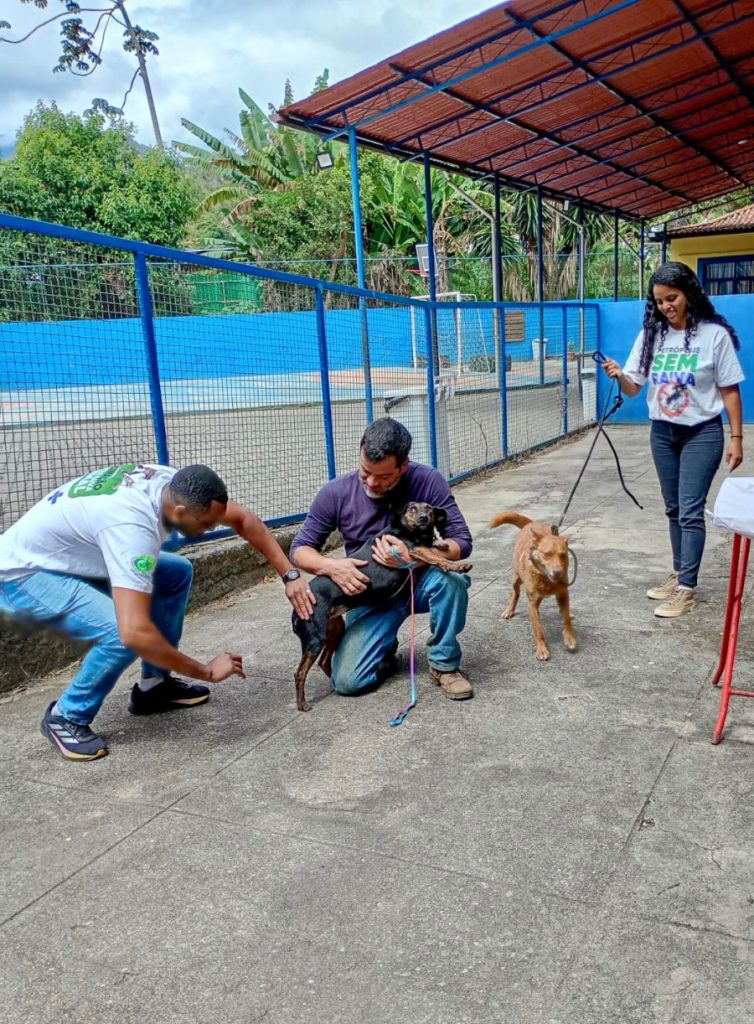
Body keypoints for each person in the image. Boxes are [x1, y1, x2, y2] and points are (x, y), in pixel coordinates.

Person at [0, 463, 314, 761]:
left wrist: (291, 576)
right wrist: (206, 671)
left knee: (176, 572)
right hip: (24, 574)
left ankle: (153, 687)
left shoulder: (175, 485)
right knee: (119, 633)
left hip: (73, 554)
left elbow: (243, 520)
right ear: (180, 512)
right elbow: (134, 633)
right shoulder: (133, 530)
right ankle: (65, 716)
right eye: (206, 525)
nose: (210, 530)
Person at [290, 417, 474, 699]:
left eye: (384, 476)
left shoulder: (427, 480)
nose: (373, 482)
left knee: (453, 580)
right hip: (370, 594)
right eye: (366, 471)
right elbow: (300, 549)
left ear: (404, 466)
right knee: (348, 683)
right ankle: (383, 649)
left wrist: (414, 559)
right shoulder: (336, 493)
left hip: (420, 585)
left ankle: (444, 664)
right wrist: (332, 566)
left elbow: (461, 541)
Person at [602, 261, 744, 618]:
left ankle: (687, 589)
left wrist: (737, 437)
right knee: (673, 508)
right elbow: (634, 388)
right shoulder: (652, 336)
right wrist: (620, 374)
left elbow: (729, 391)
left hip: (702, 433)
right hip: (662, 433)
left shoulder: (714, 336)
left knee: (691, 510)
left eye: (672, 297)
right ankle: (681, 571)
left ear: (688, 294)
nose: (666, 306)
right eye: (660, 301)